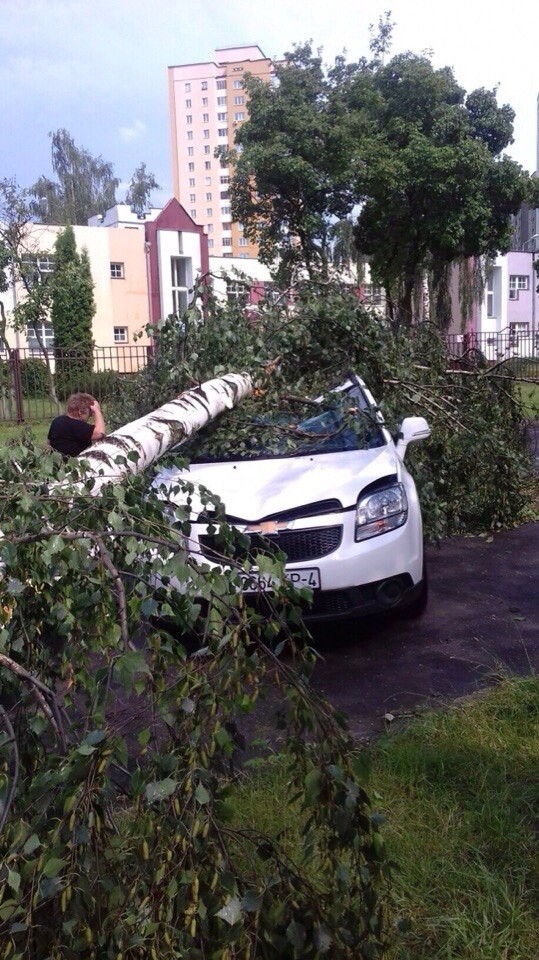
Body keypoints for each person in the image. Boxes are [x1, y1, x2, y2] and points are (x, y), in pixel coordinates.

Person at [48, 392, 106, 458]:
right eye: (89, 414)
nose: (89, 417)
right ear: (80, 412)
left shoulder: (57, 421)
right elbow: (100, 433)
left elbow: (49, 442)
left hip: (57, 464)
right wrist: (97, 410)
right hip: (75, 464)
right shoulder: (76, 426)